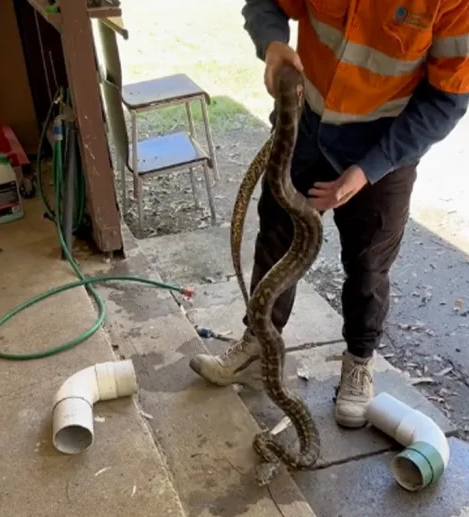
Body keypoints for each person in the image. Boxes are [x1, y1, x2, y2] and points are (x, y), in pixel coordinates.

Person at [190, 0, 469, 427]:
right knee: (277, 240)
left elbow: (448, 97)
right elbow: (264, 3)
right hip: (307, 127)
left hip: (385, 144)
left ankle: (358, 361)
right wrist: (273, 43)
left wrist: (370, 168)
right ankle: (261, 341)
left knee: (368, 264)